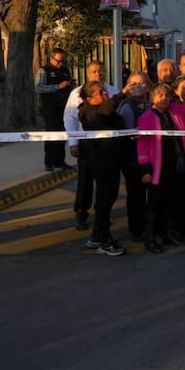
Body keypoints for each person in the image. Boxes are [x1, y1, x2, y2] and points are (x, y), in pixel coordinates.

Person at [137, 83, 185, 252]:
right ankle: (149, 238)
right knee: (154, 203)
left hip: (175, 164)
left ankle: (169, 233)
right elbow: (142, 145)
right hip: (157, 168)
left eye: (167, 95)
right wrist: (145, 170)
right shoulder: (147, 117)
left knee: (172, 201)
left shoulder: (176, 109)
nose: (164, 98)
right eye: (160, 95)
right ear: (153, 98)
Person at [63, 60, 118, 231]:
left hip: (107, 145)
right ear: (88, 73)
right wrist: (73, 142)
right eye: (94, 71)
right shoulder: (77, 93)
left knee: (106, 184)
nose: (98, 74)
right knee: (85, 181)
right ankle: (81, 212)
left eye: (101, 70)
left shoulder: (113, 91)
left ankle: (102, 214)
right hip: (86, 144)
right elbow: (69, 118)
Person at [78, 81, 128, 256]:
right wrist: (124, 92)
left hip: (112, 160)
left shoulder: (102, 110)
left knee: (106, 198)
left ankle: (97, 234)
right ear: (90, 99)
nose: (105, 94)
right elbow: (107, 110)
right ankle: (105, 240)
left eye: (105, 91)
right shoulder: (91, 113)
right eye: (101, 93)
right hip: (102, 161)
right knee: (105, 199)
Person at [116, 71, 152, 242]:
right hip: (133, 159)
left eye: (142, 83)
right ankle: (136, 229)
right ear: (128, 87)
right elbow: (125, 133)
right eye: (134, 83)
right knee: (136, 194)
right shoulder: (127, 106)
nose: (138, 86)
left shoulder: (153, 103)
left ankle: (149, 225)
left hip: (151, 156)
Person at [35, 47, 74, 171]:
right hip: (50, 107)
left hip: (64, 107)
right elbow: (38, 88)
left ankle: (60, 160)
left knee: (62, 134)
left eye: (62, 61)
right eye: (58, 61)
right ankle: (49, 161)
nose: (60, 64)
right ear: (51, 59)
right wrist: (57, 86)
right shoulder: (44, 71)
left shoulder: (66, 70)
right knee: (52, 134)